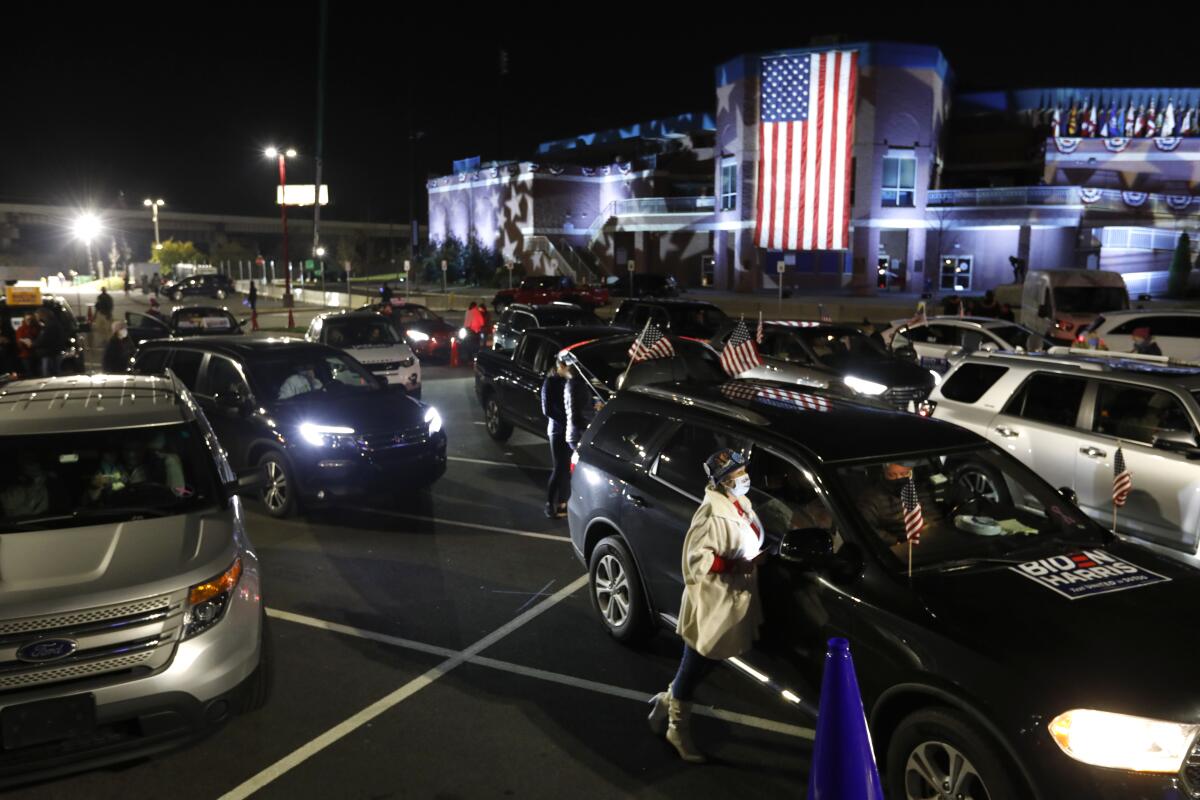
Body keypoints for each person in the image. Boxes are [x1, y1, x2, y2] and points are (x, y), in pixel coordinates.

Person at [648, 449, 765, 763]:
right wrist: (732, 566)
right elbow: (695, 559)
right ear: (725, 481)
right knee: (695, 662)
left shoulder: (739, 504)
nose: (745, 477)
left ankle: (667, 700)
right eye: (740, 473)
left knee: (711, 658)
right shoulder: (712, 513)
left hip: (731, 600)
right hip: (712, 604)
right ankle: (677, 727)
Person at [857, 463, 939, 550]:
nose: (899, 478)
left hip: (928, 542)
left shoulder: (919, 490)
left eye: (904, 474)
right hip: (898, 548)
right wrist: (894, 541)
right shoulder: (870, 498)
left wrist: (931, 527)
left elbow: (933, 516)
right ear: (884, 473)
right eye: (892, 475)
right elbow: (866, 528)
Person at [540, 357, 571, 518]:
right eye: (566, 367)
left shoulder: (569, 383)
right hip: (557, 430)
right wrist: (566, 421)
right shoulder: (550, 383)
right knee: (559, 467)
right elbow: (547, 410)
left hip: (570, 430)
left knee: (566, 469)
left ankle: (562, 503)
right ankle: (549, 503)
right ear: (559, 366)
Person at [32, 308, 64, 377]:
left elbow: (45, 340)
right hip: (53, 353)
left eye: (37, 316)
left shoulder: (50, 325)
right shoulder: (53, 323)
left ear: (42, 315)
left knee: (48, 375)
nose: (36, 318)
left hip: (49, 354)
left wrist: (33, 344)